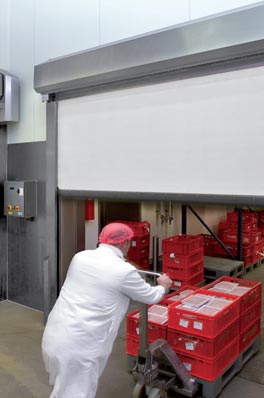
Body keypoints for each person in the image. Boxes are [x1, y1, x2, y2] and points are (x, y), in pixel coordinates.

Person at [42, 222, 172, 398]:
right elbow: (150, 296)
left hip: (56, 335)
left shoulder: (80, 257)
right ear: (124, 243)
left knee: (63, 387)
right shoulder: (123, 271)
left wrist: (128, 268)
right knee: (76, 393)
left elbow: (104, 277)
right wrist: (163, 286)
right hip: (81, 346)